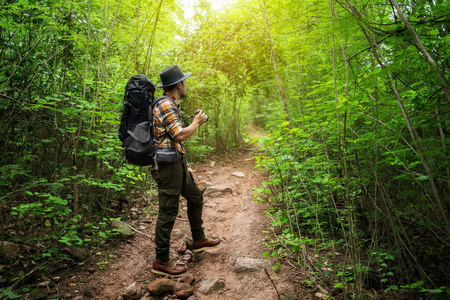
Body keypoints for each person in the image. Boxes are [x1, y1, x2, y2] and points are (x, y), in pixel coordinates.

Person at [150, 65, 220, 277]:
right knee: (168, 212)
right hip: (167, 167)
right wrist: (196, 122)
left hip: (176, 163)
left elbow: (173, 140)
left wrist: (185, 164)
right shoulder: (165, 104)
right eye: (185, 82)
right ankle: (161, 262)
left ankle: (198, 240)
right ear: (179, 84)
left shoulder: (172, 104)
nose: (186, 85)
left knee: (195, 196)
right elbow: (179, 135)